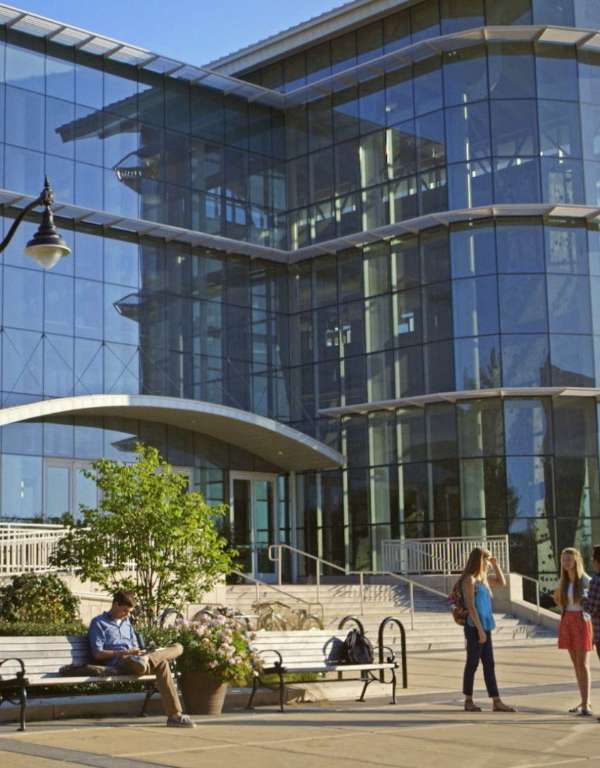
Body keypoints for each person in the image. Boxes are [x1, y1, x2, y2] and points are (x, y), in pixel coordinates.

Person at [89, 590, 194, 728]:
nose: (127, 615)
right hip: (120, 663)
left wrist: (141, 653)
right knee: (161, 663)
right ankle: (175, 715)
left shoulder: (127, 623)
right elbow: (97, 654)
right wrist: (123, 652)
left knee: (178, 647)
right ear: (115, 604)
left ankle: (175, 716)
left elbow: (135, 646)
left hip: (138, 660)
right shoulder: (98, 623)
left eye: (129, 612)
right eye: (125, 611)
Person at [460, 547, 515, 713]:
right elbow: (470, 606)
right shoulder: (469, 580)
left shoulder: (483, 579)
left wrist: (496, 565)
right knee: (472, 663)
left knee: (489, 664)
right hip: (474, 627)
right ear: (480, 560)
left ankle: (496, 701)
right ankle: (468, 700)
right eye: (487, 560)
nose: (489, 563)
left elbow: (502, 583)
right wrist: (480, 630)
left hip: (486, 626)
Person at [555, 547, 594, 716]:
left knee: (583, 664)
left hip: (582, 620)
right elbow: (558, 599)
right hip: (567, 620)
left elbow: (593, 600)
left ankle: (586, 704)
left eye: (569, 559)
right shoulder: (563, 581)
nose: (566, 563)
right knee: (576, 664)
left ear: (576, 561)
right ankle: (584, 701)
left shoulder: (586, 580)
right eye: (564, 559)